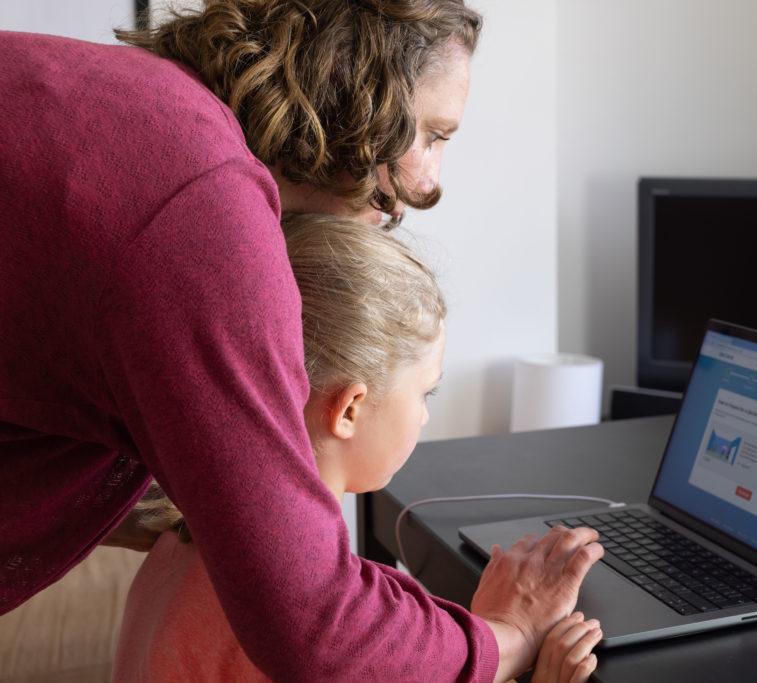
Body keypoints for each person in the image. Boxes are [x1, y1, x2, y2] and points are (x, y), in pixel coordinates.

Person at [0, 2, 602, 680]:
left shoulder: (148, 105)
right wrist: (510, 636)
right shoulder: (199, 209)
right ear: (361, 89)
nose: (428, 184)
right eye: (433, 134)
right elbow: (316, 625)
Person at [113, 214, 603, 682]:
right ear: (349, 409)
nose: (425, 415)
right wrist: (509, 632)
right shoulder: (334, 630)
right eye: (425, 392)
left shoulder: (174, 546)